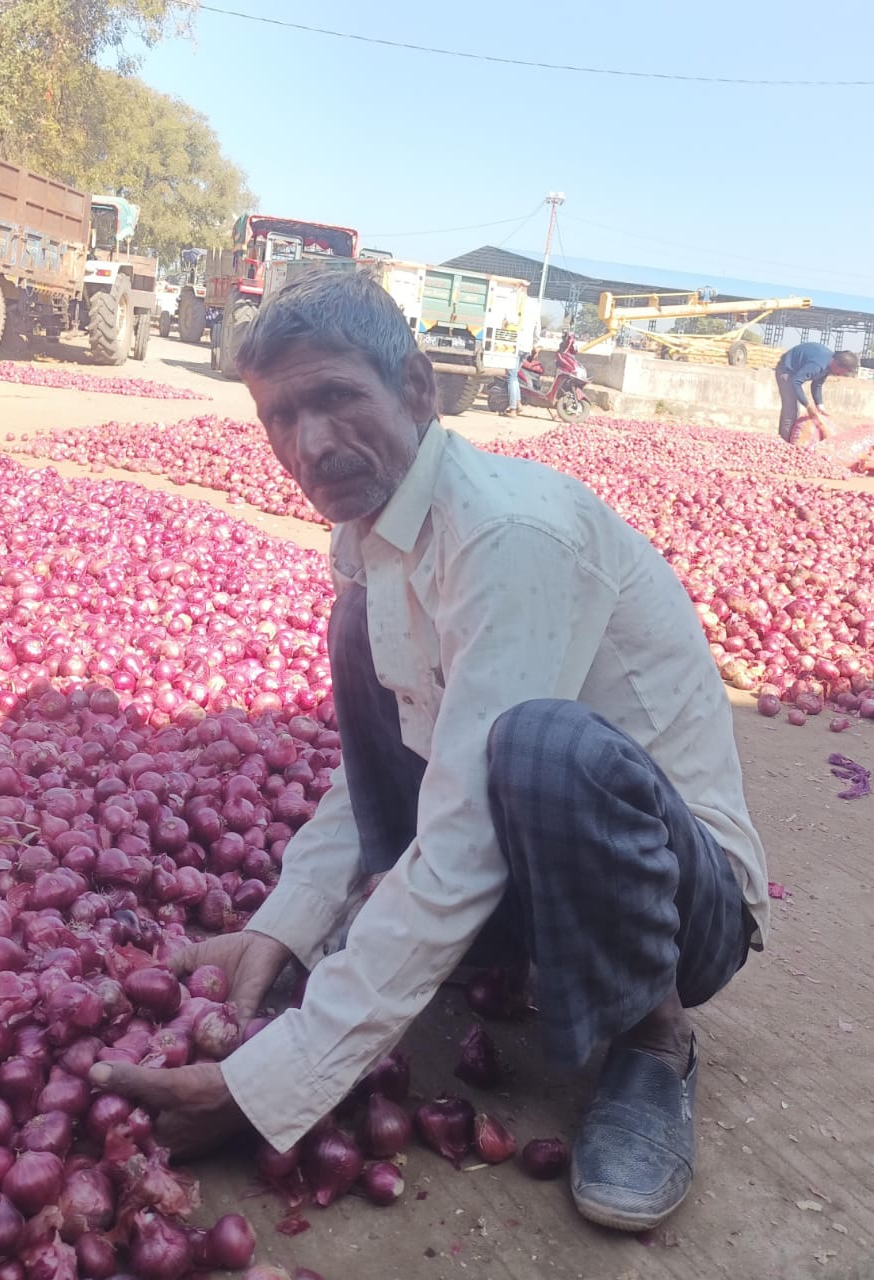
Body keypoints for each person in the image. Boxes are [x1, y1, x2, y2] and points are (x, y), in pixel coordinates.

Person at [90, 272, 769, 1233]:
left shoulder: (509, 537)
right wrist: (285, 924)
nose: (310, 445)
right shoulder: (372, 531)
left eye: (335, 399)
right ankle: (463, 950)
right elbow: (399, 760)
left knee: (542, 744)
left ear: (417, 388)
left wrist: (272, 1082)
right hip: (535, 860)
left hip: (678, 904)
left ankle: (654, 1043)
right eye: (280, 416)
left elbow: (465, 832)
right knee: (364, 627)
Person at [775, 343, 859, 441]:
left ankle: (788, 440)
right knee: (791, 409)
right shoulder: (818, 365)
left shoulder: (829, 365)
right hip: (786, 371)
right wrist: (808, 405)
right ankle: (785, 442)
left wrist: (820, 406)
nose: (840, 375)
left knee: (796, 410)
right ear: (837, 364)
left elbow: (817, 384)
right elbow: (796, 381)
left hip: (795, 373)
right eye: (842, 371)